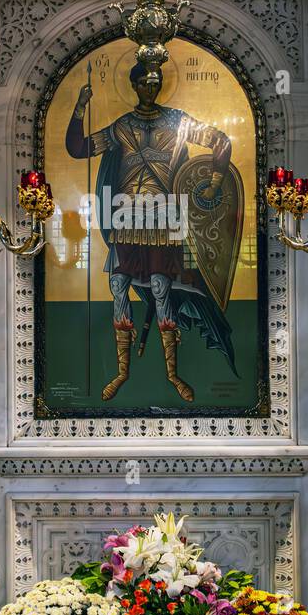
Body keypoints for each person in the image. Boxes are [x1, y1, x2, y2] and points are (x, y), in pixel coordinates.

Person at [66, 61, 238, 402]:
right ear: (134, 85)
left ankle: (173, 375)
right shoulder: (122, 127)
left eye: (156, 81)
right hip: (126, 217)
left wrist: (212, 184)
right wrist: (80, 107)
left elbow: (221, 142)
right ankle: (122, 372)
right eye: (145, 81)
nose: (151, 87)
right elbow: (79, 149)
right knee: (118, 286)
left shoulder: (178, 122)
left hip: (163, 218)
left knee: (161, 290)